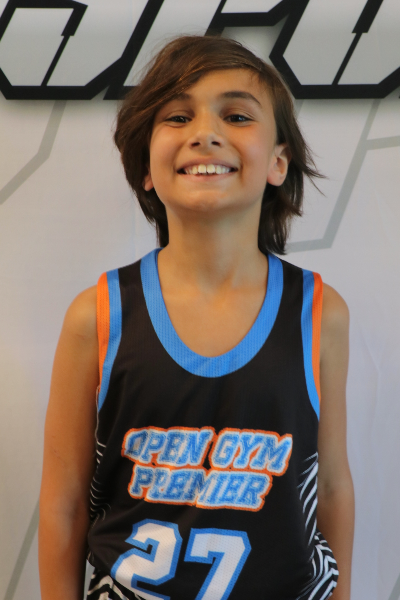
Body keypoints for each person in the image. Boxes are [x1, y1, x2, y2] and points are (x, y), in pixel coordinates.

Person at [39, 35, 354, 600]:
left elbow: (329, 486)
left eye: (236, 115)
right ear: (146, 167)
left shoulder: (319, 312)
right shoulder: (99, 315)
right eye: (178, 116)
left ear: (278, 161)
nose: (205, 133)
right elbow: (64, 503)